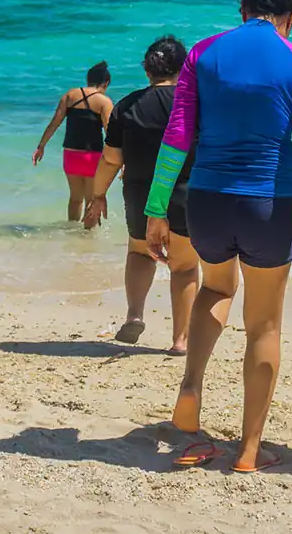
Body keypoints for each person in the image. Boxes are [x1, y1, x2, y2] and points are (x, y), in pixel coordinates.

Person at [144, 0, 292, 473]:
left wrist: (155, 207)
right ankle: (251, 449)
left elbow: (177, 134)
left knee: (215, 291)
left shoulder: (202, 53)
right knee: (263, 324)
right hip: (269, 204)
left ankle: (190, 392)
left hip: (207, 200)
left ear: (242, 9)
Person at [83, 36, 198, 355]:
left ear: (147, 71)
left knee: (139, 253)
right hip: (187, 191)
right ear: (183, 68)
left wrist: (98, 193)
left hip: (140, 193)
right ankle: (180, 340)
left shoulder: (127, 105)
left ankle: (134, 314)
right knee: (185, 267)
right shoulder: (195, 102)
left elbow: (111, 159)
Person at [33, 62, 114, 221]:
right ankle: (87, 239)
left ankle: (71, 233)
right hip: (92, 157)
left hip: (71, 155)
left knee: (75, 199)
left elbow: (54, 122)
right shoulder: (104, 102)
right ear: (106, 83)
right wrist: (120, 159)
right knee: (91, 200)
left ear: (88, 79)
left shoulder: (70, 95)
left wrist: (41, 146)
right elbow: (110, 133)